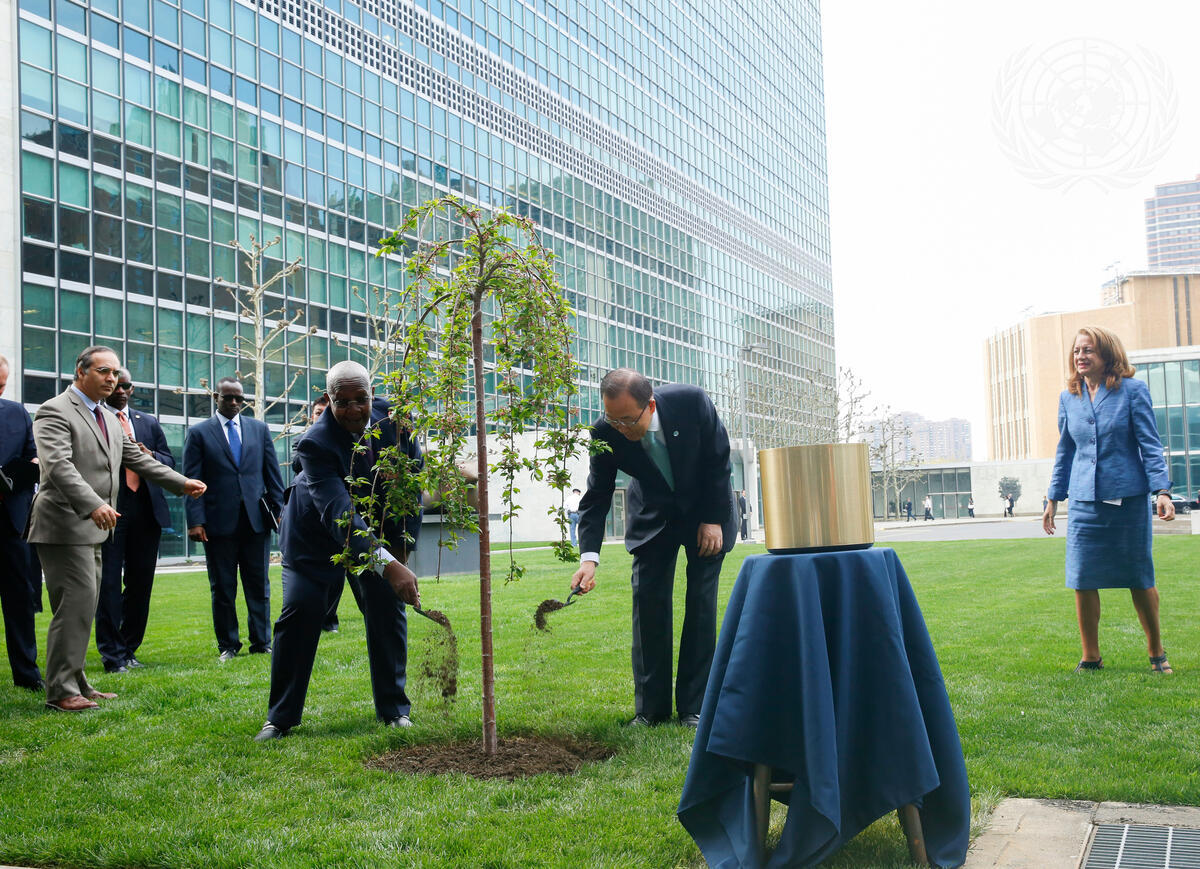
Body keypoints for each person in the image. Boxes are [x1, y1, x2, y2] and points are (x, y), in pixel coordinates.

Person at [26, 346, 205, 712]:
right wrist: (93, 504)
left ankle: (76, 681)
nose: (112, 379)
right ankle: (60, 691)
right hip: (64, 525)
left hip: (93, 528)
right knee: (74, 606)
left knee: (84, 605)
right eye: (104, 371)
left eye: (115, 373)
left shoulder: (106, 415)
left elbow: (136, 456)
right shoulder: (54, 411)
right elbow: (58, 467)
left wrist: (181, 482)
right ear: (81, 372)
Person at [255, 362, 420, 741]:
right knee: (301, 611)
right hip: (313, 537)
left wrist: (400, 552)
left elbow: (410, 484)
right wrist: (388, 564)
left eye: (360, 400)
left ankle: (395, 710)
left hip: (374, 532)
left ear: (371, 393)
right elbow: (340, 516)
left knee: (386, 610)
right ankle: (280, 719)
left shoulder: (395, 420)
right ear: (328, 399)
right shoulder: (314, 443)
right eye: (341, 402)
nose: (353, 410)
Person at [571, 369, 738, 728]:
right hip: (654, 518)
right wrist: (589, 559)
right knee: (648, 605)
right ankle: (651, 711)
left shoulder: (691, 402)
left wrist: (712, 519)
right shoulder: (604, 432)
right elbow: (597, 495)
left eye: (627, 421)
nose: (619, 429)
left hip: (706, 514)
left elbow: (718, 460)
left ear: (650, 405)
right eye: (611, 420)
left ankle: (694, 708)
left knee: (700, 606)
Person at [1043, 326, 1175, 674]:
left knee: (1139, 576)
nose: (1081, 357)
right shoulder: (1068, 397)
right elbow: (1065, 451)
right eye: (1076, 351)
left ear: (1107, 355)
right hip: (1084, 502)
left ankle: (1156, 651)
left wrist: (1162, 491)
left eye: (1088, 350)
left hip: (1128, 500)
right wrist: (1053, 497)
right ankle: (1091, 657)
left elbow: (1150, 443)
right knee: (1082, 578)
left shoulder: (1132, 391)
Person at [183, 377, 285, 661]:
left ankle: (261, 642)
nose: (234, 403)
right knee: (223, 587)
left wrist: (279, 511)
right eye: (228, 397)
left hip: (255, 522)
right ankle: (228, 645)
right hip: (217, 523)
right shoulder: (200, 433)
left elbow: (273, 476)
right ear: (216, 396)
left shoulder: (259, 430)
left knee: (259, 584)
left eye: (239, 398)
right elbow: (192, 480)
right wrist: (195, 521)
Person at [94, 370, 176, 673]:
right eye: (117, 384)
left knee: (141, 585)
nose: (122, 389)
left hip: (146, 509)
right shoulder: (97, 419)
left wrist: (150, 454)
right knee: (109, 585)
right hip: (110, 508)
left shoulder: (148, 422)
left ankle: (129, 649)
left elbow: (169, 460)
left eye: (127, 384)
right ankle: (112, 655)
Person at [0, 353, 44, 691]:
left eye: (2, 385)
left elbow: (34, 455)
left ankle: (28, 676)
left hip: (13, 523)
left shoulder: (17, 412)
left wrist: (26, 466)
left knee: (20, 600)